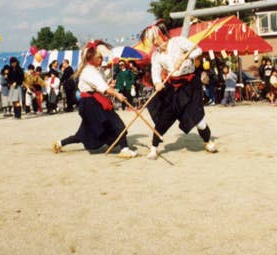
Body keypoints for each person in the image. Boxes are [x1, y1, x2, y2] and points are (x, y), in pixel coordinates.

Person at [140, 21, 218, 160]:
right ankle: (154, 148)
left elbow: (198, 50)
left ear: (162, 34)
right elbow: (155, 71)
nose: (155, 43)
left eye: (156, 38)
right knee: (165, 116)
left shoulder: (178, 42)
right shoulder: (156, 55)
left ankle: (207, 141)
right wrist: (157, 82)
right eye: (152, 41)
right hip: (173, 86)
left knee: (197, 117)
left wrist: (186, 56)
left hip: (191, 84)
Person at [52, 41, 137, 158]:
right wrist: (117, 94)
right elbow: (103, 87)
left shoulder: (95, 69)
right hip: (91, 104)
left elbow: (102, 86)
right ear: (91, 58)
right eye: (99, 58)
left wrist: (109, 86)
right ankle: (124, 149)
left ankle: (59, 143)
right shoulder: (89, 71)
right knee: (115, 123)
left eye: (101, 58)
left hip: (94, 102)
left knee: (84, 133)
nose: (101, 60)